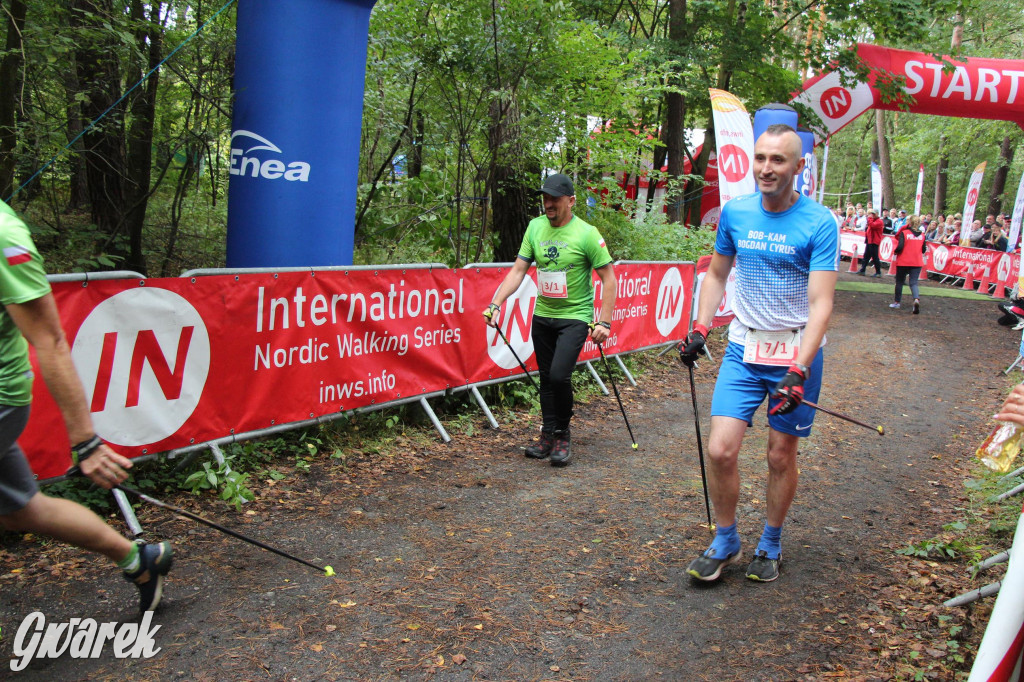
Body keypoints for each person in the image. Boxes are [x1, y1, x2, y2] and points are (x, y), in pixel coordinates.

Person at [677, 124, 839, 584]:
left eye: (778, 160)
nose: (767, 169)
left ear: (798, 166)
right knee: (721, 449)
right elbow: (716, 275)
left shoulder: (818, 222)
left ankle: (770, 541)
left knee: (779, 456)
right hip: (745, 348)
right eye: (761, 158)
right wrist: (702, 326)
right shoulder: (736, 212)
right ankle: (726, 539)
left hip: (796, 351)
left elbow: (821, 304)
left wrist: (798, 369)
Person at [0, 200, 172, 614]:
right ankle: (139, 560)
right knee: (22, 510)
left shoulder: (5, 236)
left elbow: (51, 340)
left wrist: (86, 440)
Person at [484, 173, 616, 467]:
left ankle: (562, 434)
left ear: (571, 201)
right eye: (545, 198)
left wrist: (604, 322)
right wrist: (496, 303)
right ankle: (547, 434)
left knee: (559, 376)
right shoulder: (535, 227)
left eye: (555, 198)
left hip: (575, 317)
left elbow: (609, 278)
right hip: (543, 316)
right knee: (546, 378)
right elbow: (518, 271)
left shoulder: (586, 233)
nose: (548, 203)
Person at [889, 215, 928, 314]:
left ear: (909, 223)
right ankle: (916, 299)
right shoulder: (922, 235)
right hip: (917, 262)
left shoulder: (904, 233)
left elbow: (900, 246)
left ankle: (897, 302)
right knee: (913, 282)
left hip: (903, 261)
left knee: (899, 282)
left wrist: (896, 251)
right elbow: (923, 249)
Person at [858, 208, 884, 276]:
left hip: (874, 241)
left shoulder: (879, 221)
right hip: (870, 241)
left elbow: (873, 225)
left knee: (875, 257)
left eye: (873, 214)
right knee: (866, 256)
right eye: (871, 214)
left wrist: (869, 218)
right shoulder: (873, 220)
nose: (872, 215)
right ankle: (862, 270)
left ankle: (878, 272)